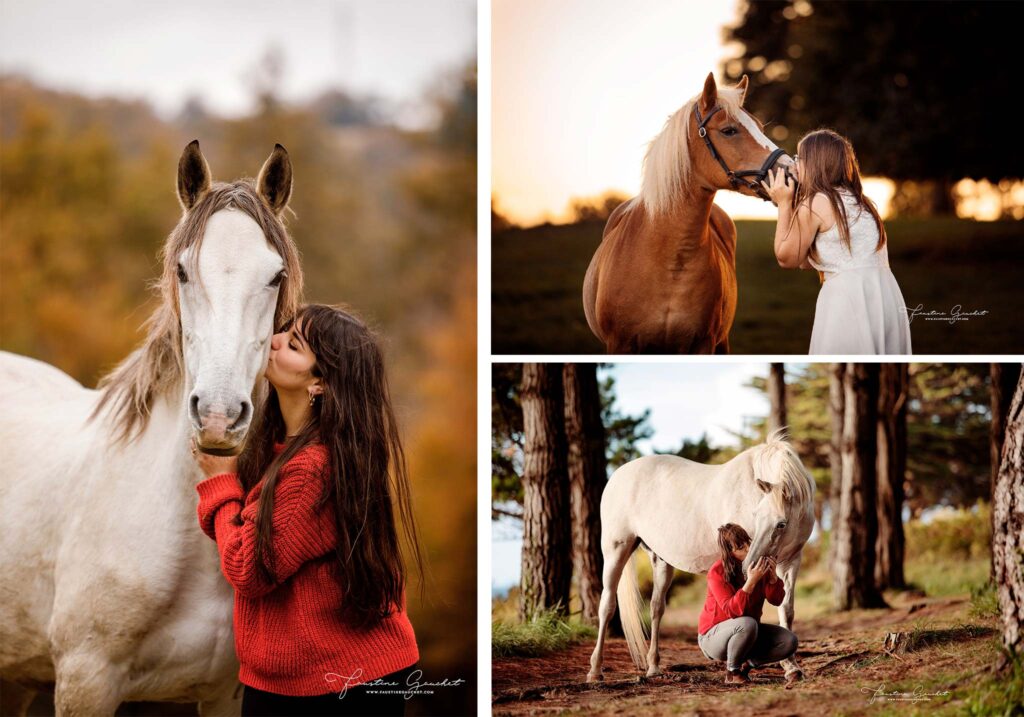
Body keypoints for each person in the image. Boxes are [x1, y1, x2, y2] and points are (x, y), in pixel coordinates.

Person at [193, 304, 422, 716]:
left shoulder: (311, 469)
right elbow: (243, 534)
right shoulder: (279, 448)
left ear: (320, 383)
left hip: (341, 682)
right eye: (283, 332)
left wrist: (220, 483)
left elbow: (247, 568)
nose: (273, 340)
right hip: (301, 678)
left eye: (293, 345)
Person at [761, 128, 912, 354]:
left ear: (816, 163)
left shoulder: (817, 201)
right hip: (883, 295)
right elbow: (806, 261)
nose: (795, 165)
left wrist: (784, 204)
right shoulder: (863, 202)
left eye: (799, 158)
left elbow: (788, 258)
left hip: (848, 299)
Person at [698, 524, 798, 685]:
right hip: (712, 638)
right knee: (747, 624)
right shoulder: (717, 572)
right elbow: (732, 610)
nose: (748, 549)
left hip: (748, 633)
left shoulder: (757, 564)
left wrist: (773, 579)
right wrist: (751, 582)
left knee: (789, 640)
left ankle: (746, 665)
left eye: (748, 542)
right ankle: (732, 672)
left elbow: (776, 600)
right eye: (740, 547)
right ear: (730, 552)